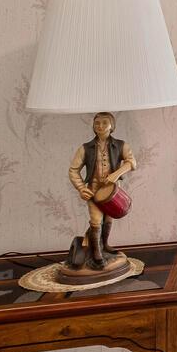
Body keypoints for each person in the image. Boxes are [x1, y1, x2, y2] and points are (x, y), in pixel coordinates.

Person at [67, 112, 136, 269]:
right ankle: (97, 253)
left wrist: (116, 174)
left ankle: (105, 245)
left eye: (105, 123)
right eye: (97, 123)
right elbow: (73, 170)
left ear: (112, 126)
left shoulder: (120, 145)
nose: (100, 126)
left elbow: (132, 162)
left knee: (109, 218)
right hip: (93, 190)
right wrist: (81, 188)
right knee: (96, 220)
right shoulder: (85, 148)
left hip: (112, 191)